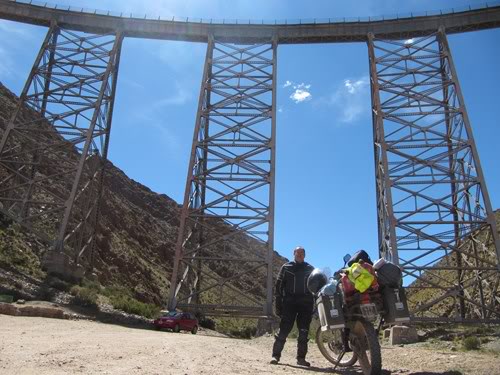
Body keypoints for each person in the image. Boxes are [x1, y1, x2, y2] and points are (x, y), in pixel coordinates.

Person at [270, 246, 315, 367]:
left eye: (302, 253)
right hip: (289, 303)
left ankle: (301, 359)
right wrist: (278, 304)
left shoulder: (310, 269)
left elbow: (315, 288)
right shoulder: (286, 267)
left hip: (305, 304)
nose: (299, 254)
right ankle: (275, 356)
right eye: (297, 252)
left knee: (304, 332)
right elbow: (278, 287)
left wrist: (314, 305)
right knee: (283, 331)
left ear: (305, 255)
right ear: (293, 254)